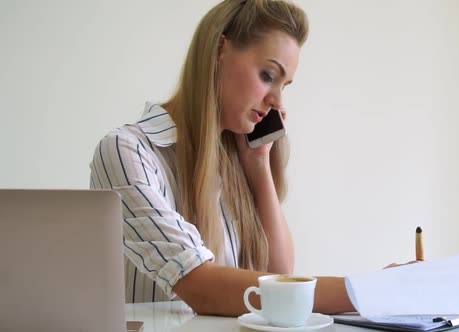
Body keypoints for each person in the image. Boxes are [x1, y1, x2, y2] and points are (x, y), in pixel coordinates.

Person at [90, 0, 400, 317]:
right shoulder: (127, 152)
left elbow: (279, 272)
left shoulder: (238, 159)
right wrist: (371, 291)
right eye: (268, 75)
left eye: (284, 85)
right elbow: (200, 286)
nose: (277, 101)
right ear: (219, 50)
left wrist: (258, 164)